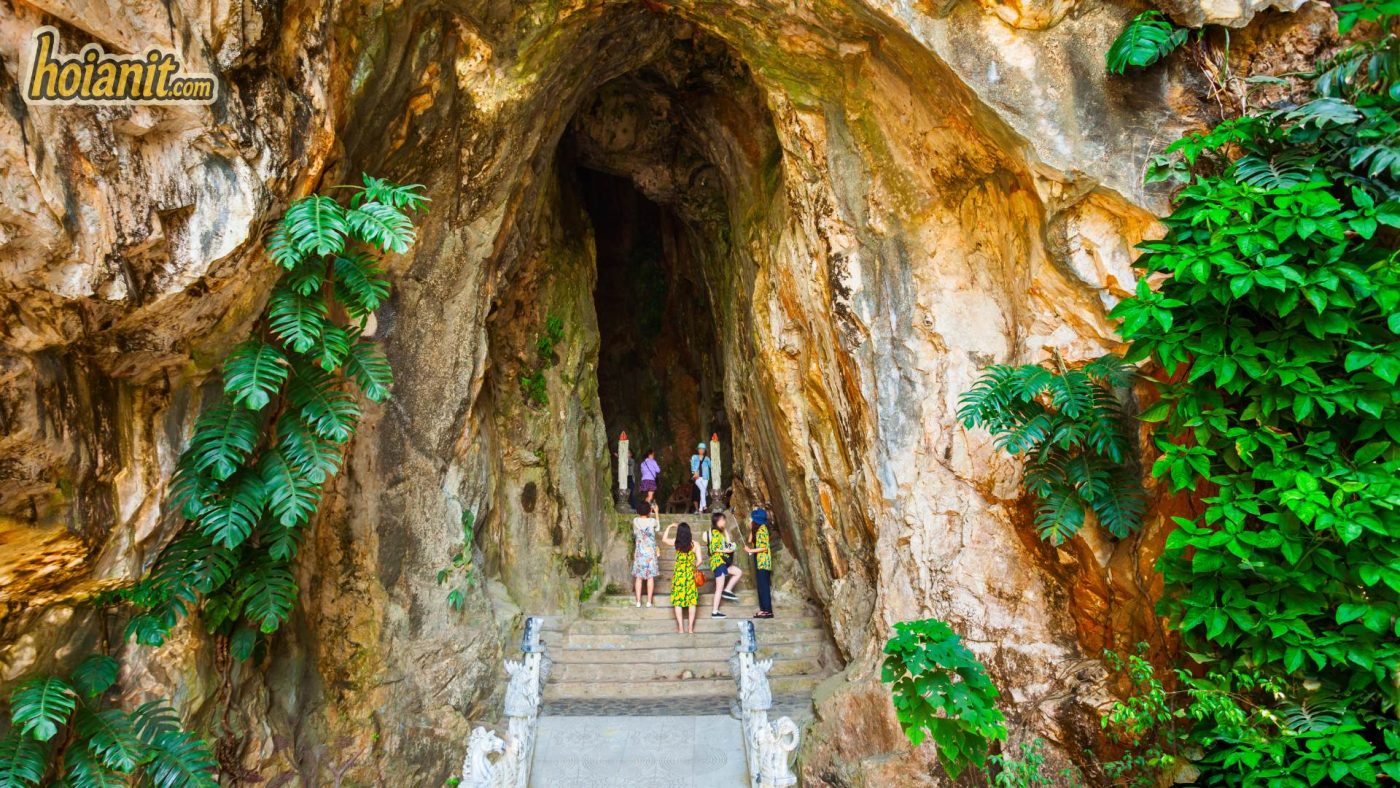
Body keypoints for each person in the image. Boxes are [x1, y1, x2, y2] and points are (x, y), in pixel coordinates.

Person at [662, 522, 698, 634]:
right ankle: (691, 629)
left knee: (678, 602)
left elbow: (664, 539)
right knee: (692, 602)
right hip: (690, 575)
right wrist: (692, 566)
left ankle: (681, 628)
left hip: (678, 576)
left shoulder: (676, 543)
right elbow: (700, 560)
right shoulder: (695, 544)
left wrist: (669, 526)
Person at [706, 513, 742, 618]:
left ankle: (728, 590)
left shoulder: (720, 533)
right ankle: (715, 612)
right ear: (717, 521)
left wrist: (725, 531)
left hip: (723, 561)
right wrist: (725, 549)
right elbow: (713, 549)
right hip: (718, 562)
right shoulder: (715, 533)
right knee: (719, 588)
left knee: (738, 572)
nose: (724, 522)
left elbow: (728, 542)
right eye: (723, 520)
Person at [744, 506, 774, 619]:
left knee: (764, 586)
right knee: (761, 586)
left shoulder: (762, 530)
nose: (750, 520)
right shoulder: (758, 529)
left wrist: (750, 550)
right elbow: (749, 540)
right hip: (759, 561)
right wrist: (752, 527)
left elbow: (764, 547)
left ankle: (768, 611)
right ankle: (763, 610)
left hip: (763, 561)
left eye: (752, 518)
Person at [632, 502, 660, 607]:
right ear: (649, 510)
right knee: (650, 578)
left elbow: (635, 533)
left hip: (639, 552)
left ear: (638, 511)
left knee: (638, 578)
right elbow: (657, 528)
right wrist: (656, 512)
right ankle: (649, 602)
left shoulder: (635, 521)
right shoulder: (652, 521)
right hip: (650, 554)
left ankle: (638, 602)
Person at [690, 443, 711, 512]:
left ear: (705, 450)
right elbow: (692, 466)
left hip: (705, 477)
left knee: (703, 491)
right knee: (702, 490)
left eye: (703, 449)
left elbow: (711, 466)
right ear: (698, 450)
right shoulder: (694, 457)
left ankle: (700, 509)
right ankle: (704, 506)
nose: (701, 450)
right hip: (697, 477)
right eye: (700, 449)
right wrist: (694, 472)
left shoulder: (707, 459)